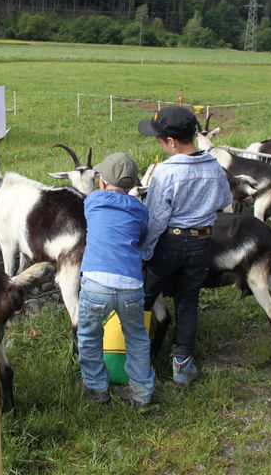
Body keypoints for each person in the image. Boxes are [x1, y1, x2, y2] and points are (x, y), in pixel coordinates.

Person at [137, 106, 232, 387]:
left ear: (171, 142)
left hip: (170, 241)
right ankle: (182, 365)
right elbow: (223, 199)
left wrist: (145, 252)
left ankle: (138, 358)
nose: (158, 144)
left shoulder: (166, 173)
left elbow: (156, 220)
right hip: (202, 241)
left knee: (146, 295)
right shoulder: (214, 165)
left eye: (158, 140)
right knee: (188, 300)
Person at [77, 152, 153, 408]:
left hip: (96, 283)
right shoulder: (141, 211)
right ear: (133, 185)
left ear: (101, 181)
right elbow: (141, 237)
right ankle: (142, 394)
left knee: (89, 335)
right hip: (131, 285)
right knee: (137, 338)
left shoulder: (93, 201)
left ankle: (96, 388)